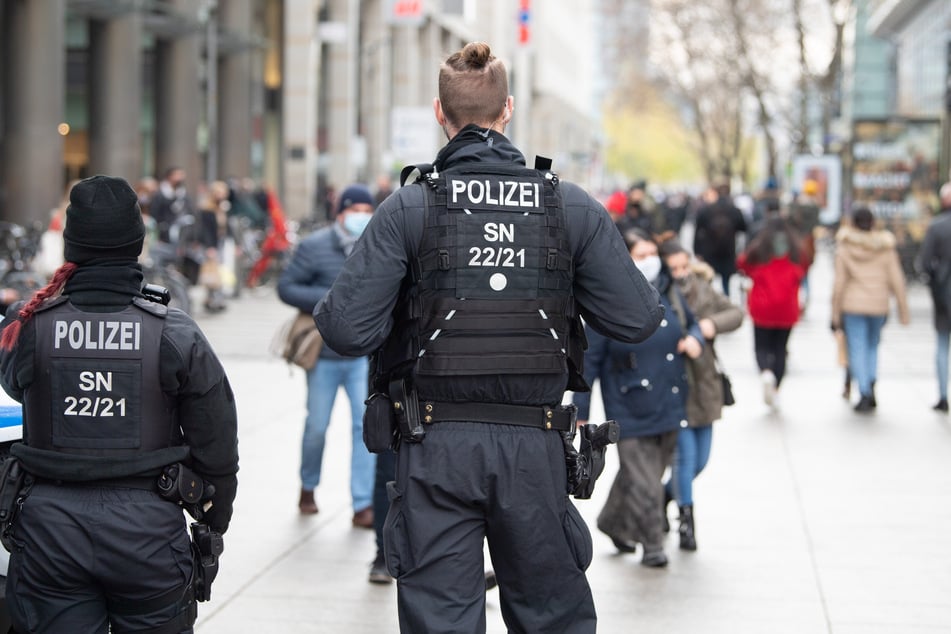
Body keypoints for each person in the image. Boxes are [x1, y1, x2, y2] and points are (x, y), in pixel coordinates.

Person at [314, 42, 663, 633]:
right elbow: (637, 319)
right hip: (535, 447)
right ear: (507, 111)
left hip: (434, 445)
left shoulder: (409, 209)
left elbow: (345, 329)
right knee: (551, 618)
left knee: (441, 621)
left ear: (438, 112)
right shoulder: (567, 206)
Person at [0, 175, 238, 632]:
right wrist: (215, 518)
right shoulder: (174, 331)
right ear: (136, 243)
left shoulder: (28, 325)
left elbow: (14, 387)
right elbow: (217, 443)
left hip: (50, 533)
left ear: (71, 244)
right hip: (148, 535)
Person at [574, 230, 702, 567]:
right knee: (645, 483)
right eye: (640, 254)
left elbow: (692, 323)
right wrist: (581, 410)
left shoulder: (668, 292)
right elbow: (589, 362)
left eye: (651, 253)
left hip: (670, 400)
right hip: (629, 406)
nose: (649, 260)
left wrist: (697, 338)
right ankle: (653, 545)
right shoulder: (607, 301)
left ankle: (612, 522)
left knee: (640, 474)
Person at [277, 183, 376, 527]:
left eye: (367, 211)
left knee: (364, 428)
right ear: (341, 212)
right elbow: (286, 287)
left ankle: (362, 503)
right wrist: (329, 299)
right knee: (317, 426)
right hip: (323, 356)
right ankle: (308, 485)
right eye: (355, 211)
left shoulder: (377, 245)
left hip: (363, 356)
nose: (362, 217)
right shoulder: (314, 246)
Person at [659, 240, 743, 551]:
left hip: (705, 384)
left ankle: (663, 497)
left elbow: (735, 314)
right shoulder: (657, 292)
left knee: (701, 461)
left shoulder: (703, 287)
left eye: (684, 266)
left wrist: (709, 325)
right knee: (684, 459)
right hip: (675, 385)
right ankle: (686, 523)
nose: (681, 274)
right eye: (674, 268)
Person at [832, 207, 910, 412]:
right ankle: (871, 381)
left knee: (856, 347)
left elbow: (839, 283)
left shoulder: (845, 247)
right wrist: (903, 310)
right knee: (872, 346)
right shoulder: (884, 247)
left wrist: (835, 312)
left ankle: (864, 389)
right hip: (878, 305)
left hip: (853, 305)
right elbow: (897, 279)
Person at [736, 214, 808, 409]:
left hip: (762, 305)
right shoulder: (796, 250)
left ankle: (765, 371)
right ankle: (776, 387)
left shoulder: (759, 249)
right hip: (787, 308)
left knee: (761, 345)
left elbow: (742, 264)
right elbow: (803, 270)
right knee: (781, 349)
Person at [917, 183, 951, 413]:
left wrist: (933, 281)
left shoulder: (937, 226)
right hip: (943, 292)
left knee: (942, 344)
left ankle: (942, 394)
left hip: (943, 294)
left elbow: (924, 263)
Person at [693, 181, 747, 297]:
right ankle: (726, 301)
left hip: (709, 252)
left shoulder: (706, 210)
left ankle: (710, 302)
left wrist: (697, 251)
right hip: (728, 251)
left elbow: (697, 231)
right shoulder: (735, 210)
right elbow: (743, 228)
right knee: (726, 282)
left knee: (708, 280)